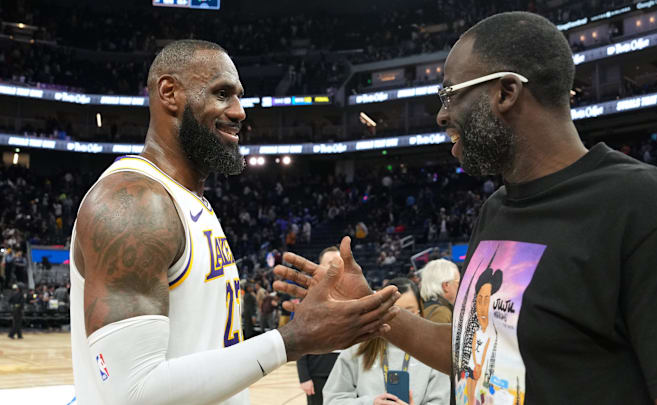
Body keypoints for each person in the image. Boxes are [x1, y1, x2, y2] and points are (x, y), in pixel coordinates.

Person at [274, 12, 657, 405]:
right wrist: (373, 309)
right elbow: (475, 352)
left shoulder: (648, 210)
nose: (441, 115)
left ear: (506, 92)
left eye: (450, 94)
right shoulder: (496, 211)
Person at [69, 39, 400, 405]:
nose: (240, 111)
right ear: (169, 93)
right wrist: (293, 340)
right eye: (222, 93)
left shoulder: (190, 202)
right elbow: (131, 393)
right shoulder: (133, 203)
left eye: (238, 96)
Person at [322, 278, 449, 405]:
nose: (402, 321)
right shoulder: (358, 348)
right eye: (393, 313)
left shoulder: (432, 352)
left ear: (420, 313)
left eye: (410, 312)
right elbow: (332, 399)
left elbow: (441, 401)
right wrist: (370, 403)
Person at [296, 246, 342, 405]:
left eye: (338, 262)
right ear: (320, 267)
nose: (335, 266)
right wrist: (304, 377)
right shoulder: (309, 300)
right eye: (330, 263)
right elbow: (300, 341)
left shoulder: (355, 297)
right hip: (318, 374)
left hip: (346, 373)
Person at [419, 259, 460, 323]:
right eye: (458, 282)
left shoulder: (421, 308)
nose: (460, 287)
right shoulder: (441, 313)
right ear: (446, 285)